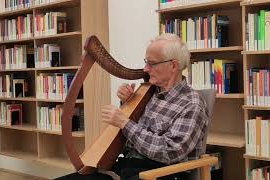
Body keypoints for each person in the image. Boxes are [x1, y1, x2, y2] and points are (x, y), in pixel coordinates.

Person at [56, 33, 209, 180]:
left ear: (173, 66)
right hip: (130, 167)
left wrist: (125, 123)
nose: (145, 69)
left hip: (161, 174)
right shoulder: (150, 93)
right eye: (146, 62)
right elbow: (128, 138)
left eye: (152, 63)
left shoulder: (192, 104)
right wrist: (127, 102)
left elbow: (170, 151)